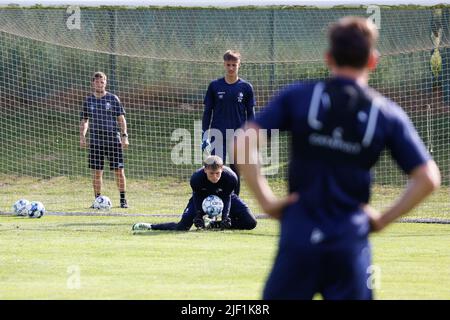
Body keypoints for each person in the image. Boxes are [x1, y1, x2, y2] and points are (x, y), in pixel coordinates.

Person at [235, 17, 441, 300]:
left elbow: (244, 140)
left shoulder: (298, 96)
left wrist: (267, 201)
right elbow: (428, 178)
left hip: (298, 238)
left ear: (328, 58)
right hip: (349, 242)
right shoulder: (385, 113)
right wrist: (382, 220)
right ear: (372, 60)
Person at [132, 155, 257, 232]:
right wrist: (198, 215)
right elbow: (197, 196)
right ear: (205, 170)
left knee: (251, 222)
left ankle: (213, 225)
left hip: (225, 197)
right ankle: (150, 227)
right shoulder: (196, 179)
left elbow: (227, 197)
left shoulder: (231, 177)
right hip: (201, 198)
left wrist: (225, 217)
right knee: (182, 227)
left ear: (222, 169)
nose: (215, 177)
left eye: (218, 173)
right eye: (211, 174)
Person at [202, 50, 256, 195]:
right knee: (215, 169)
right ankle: (214, 200)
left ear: (239, 65)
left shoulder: (246, 87)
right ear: (224, 65)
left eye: (234, 65)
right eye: (228, 65)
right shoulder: (214, 86)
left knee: (235, 170)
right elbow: (207, 112)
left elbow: (250, 113)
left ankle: (234, 202)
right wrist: (204, 133)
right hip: (217, 134)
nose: (231, 68)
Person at [80, 71, 130, 209]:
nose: (99, 84)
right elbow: (85, 121)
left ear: (105, 83)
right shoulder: (88, 100)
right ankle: (97, 200)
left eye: (102, 82)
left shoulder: (113, 99)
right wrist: (82, 136)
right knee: (97, 172)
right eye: (97, 82)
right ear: (93, 83)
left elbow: (121, 119)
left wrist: (124, 136)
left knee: (119, 170)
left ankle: (123, 199)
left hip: (113, 140)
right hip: (96, 141)